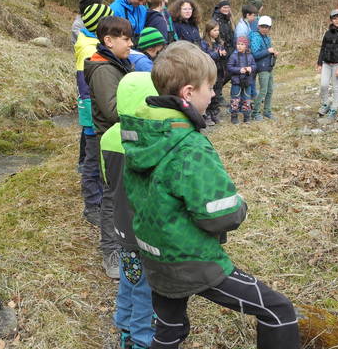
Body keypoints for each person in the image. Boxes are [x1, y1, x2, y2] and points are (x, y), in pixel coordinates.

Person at [119, 41, 300, 349]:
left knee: (169, 329)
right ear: (189, 93)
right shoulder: (189, 145)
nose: (215, 94)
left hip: (154, 256)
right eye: (211, 87)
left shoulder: (141, 135)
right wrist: (240, 205)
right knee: (278, 311)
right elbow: (220, 215)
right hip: (190, 260)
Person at [101, 71, 158, 349]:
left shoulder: (109, 137)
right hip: (145, 231)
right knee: (146, 289)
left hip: (121, 225)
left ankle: (123, 324)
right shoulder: (151, 138)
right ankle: (141, 339)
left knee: (128, 277)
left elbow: (107, 180)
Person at [84, 16, 134, 279]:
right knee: (112, 197)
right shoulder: (104, 69)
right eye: (125, 39)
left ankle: (125, 242)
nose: (130, 43)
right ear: (109, 40)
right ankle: (110, 251)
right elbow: (113, 110)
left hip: (119, 139)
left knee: (122, 194)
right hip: (110, 141)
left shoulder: (117, 63)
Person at [75, 3, 114, 227]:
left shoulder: (91, 42)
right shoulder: (89, 48)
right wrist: (93, 115)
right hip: (92, 113)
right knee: (92, 160)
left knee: (96, 157)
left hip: (94, 111)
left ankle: (98, 199)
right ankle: (92, 204)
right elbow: (85, 86)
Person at [317, 9, 338, 119]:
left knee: (336, 87)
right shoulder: (327, 33)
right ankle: (326, 104)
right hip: (326, 64)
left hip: (337, 65)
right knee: (324, 85)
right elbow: (322, 48)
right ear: (331, 20)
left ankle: (334, 108)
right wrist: (319, 63)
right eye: (334, 18)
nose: (337, 20)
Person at [250, 15, 278, 120]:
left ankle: (267, 111)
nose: (265, 28)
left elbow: (267, 52)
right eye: (263, 26)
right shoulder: (256, 37)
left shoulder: (267, 38)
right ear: (258, 26)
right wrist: (268, 51)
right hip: (261, 68)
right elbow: (254, 54)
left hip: (269, 67)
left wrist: (273, 54)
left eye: (267, 27)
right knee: (263, 91)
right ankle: (255, 112)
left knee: (270, 90)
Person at [200, 20, 227, 125]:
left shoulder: (219, 42)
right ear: (208, 30)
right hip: (209, 72)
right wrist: (217, 54)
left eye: (218, 30)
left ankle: (215, 114)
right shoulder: (204, 43)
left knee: (216, 94)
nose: (217, 32)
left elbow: (222, 55)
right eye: (214, 30)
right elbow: (206, 56)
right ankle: (207, 115)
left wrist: (223, 54)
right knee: (208, 94)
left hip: (219, 71)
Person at [227, 36, 256, 124]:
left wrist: (251, 68)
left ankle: (246, 116)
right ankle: (234, 117)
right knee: (235, 99)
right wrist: (239, 70)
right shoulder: (233, 56)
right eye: (238, 44)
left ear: (246, 46)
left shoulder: (250, 56)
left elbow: (255, 66)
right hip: (236, 81)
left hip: (247, 81)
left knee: (247, 99)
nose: (239, 46)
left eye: (242, 44)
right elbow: (229, 66)